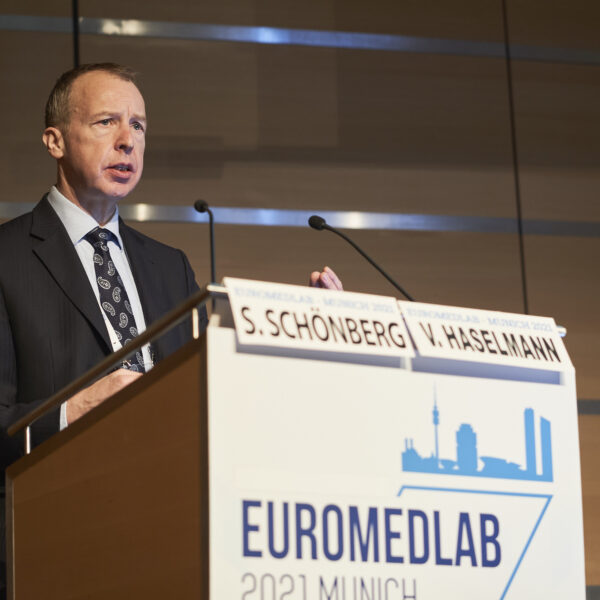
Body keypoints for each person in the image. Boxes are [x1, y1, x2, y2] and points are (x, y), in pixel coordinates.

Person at [0, 62, 342, 596]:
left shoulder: (169, 266)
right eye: (106, 122)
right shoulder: (6, 257)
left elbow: (216, 397)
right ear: (55, 141)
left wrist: (308, 334)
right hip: (54, 541)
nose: (127, 140)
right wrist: (73, 411)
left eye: (138, 126)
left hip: (172, 533)